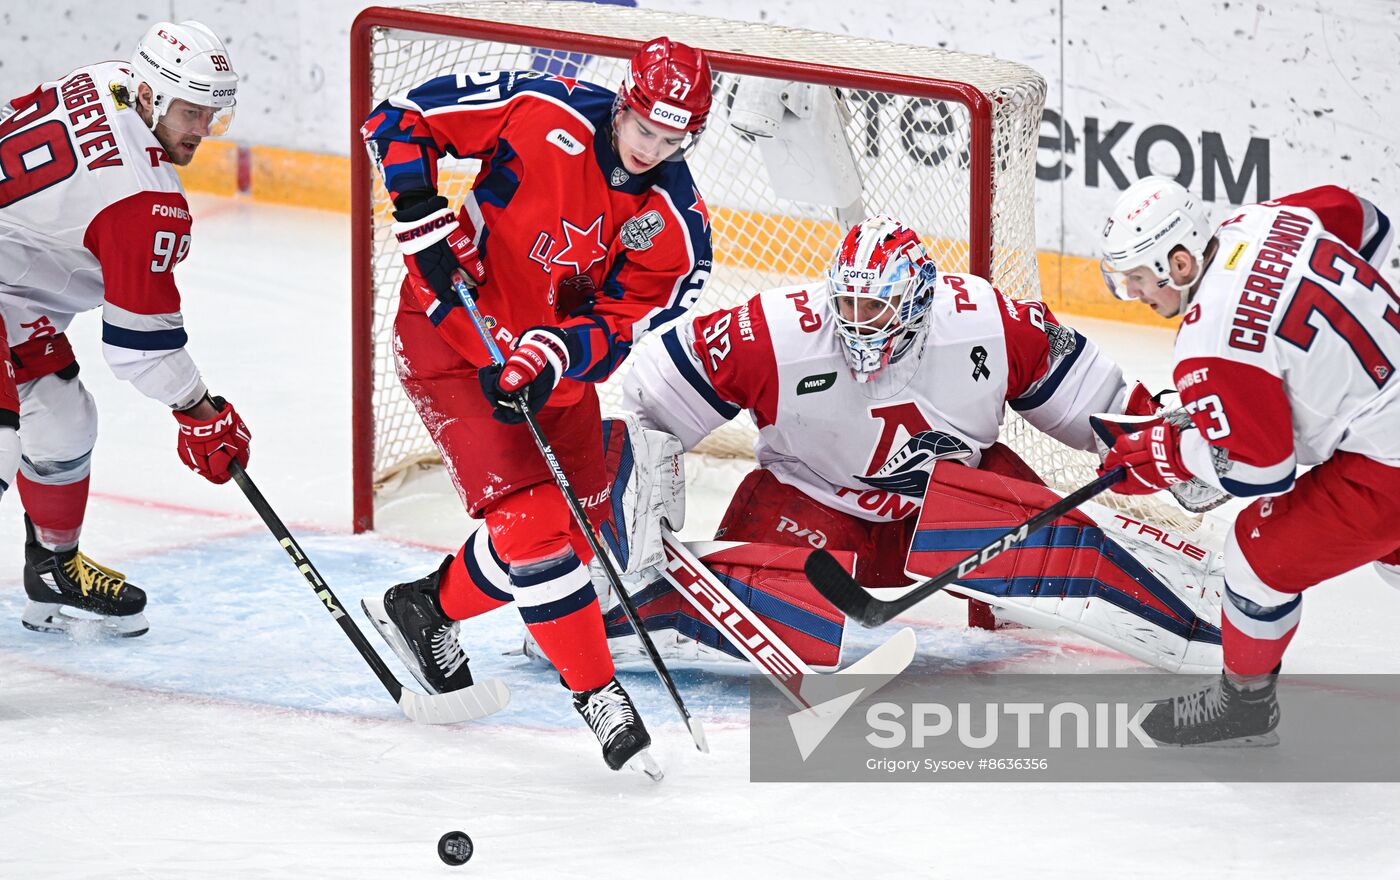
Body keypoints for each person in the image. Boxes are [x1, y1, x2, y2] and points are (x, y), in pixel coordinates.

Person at [582, 214, 1223, 676]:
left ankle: (1188, 606)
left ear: (919, 302)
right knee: (783, 631)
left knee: (1032, 609)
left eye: (878, 311)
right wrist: (627, 534)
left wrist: (1175, 449)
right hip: (818, 504)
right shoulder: (776, 331)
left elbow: (1098, 403)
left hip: (956, 503)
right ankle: (618, 610)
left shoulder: (987, 322)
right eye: (849, 308)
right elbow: (649, 408)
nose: (859, 327)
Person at [360, 38, 713, 773]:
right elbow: (397, 121)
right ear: (625, 103)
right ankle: (598, 696)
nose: (654, 149)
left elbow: (619, 326)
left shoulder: (679, 227)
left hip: (553, 379)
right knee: (535, 530)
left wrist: (551, 357)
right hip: (451, 342)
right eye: (646, 128)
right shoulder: (536, 106)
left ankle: (425, 608)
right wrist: (423, 218)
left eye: (674, 138)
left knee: (576, 532)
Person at [1097, 175, 1398, 745]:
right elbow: (1368, 221)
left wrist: (1169, 452)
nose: (1133, 293)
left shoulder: (1206, 344)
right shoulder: (1262, 220)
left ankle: (1245, 705)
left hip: (1386, 467)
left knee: (1255, 558)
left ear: (1180, 264)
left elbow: (1261, 472)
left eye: (1137, 279)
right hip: (1386, 424)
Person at [0, 21, 253, 638]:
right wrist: (199, 409)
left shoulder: (109, 77)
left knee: (62, 417)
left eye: (212, 116)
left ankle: (52, 572)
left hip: (8, 286)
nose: (201, 131)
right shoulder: (145, 200)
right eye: (191, 113)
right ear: (150, 98)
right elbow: (140, 346)